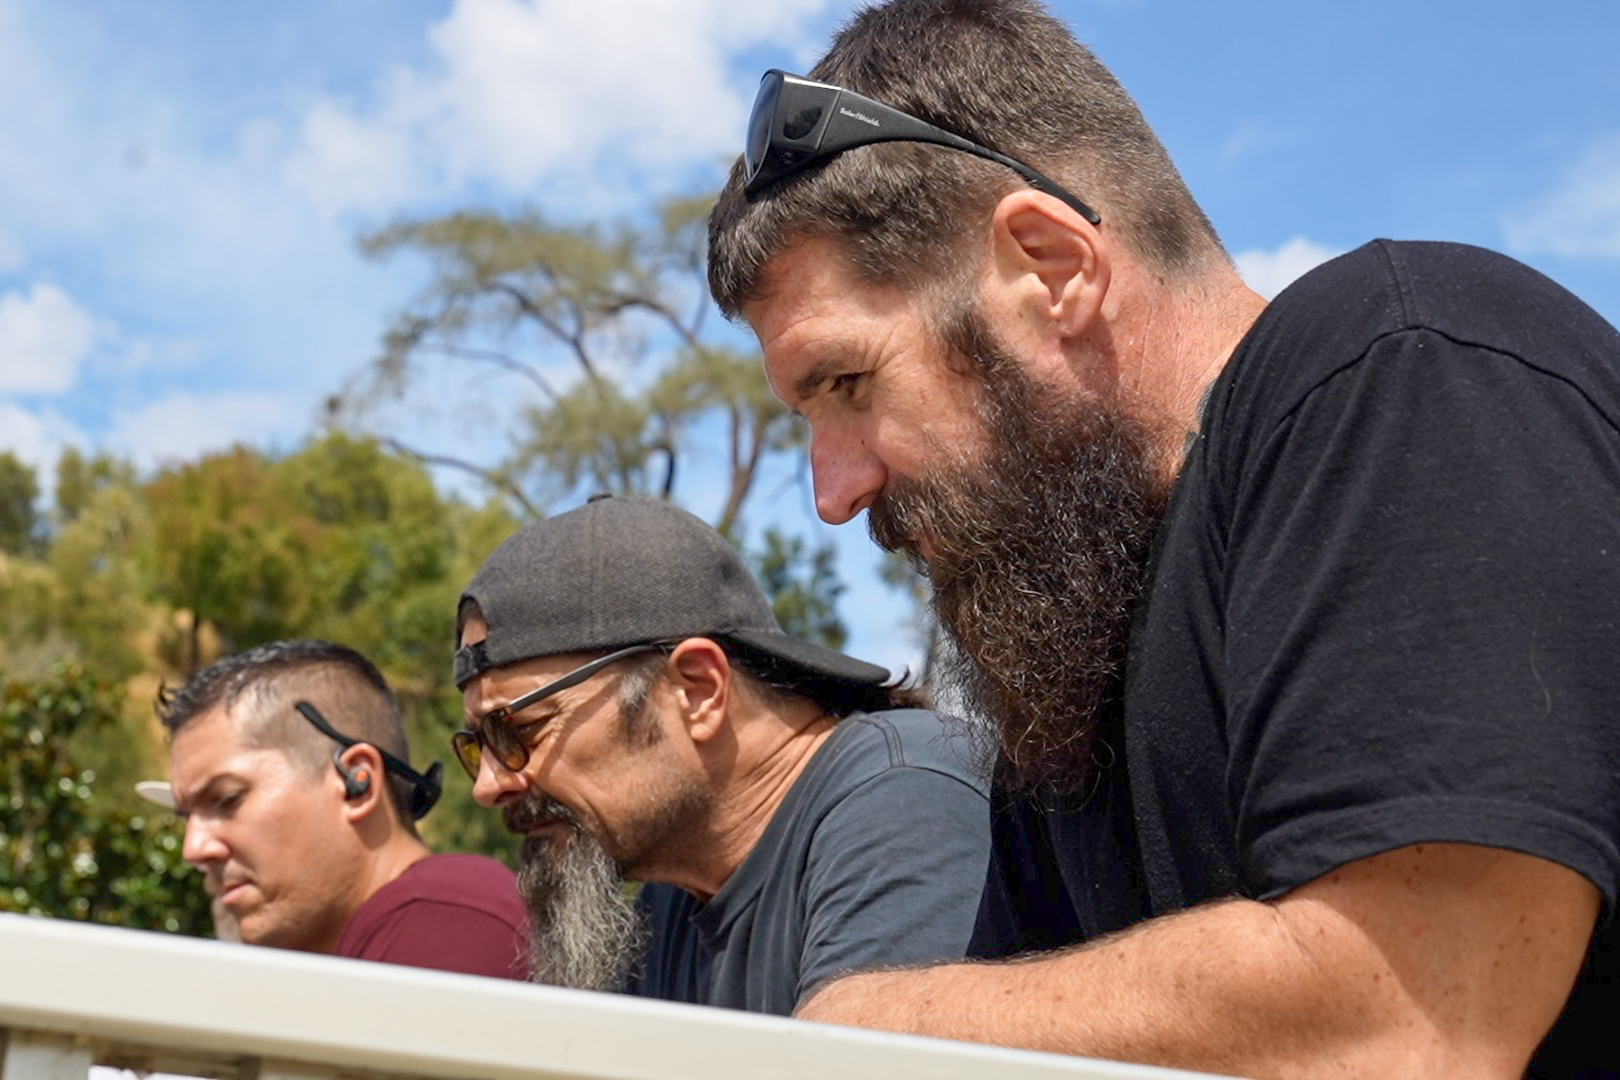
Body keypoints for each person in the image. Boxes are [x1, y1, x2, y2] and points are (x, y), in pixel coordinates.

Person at [705, 0, 1620, 1075]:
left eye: (849, 382)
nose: (834, 492)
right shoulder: (1076, 634)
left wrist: (866, 1026)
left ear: (1049, 266)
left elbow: (1412, 1018)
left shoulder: (1401, 365)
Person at [452, 494, 990, 1014]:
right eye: (479, 746)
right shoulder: (671, 901)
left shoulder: (902, 802)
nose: (488, 786)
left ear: (698, 690)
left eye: (520, 730)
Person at [157, 639, 528, 979]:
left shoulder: (446, 925)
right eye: (187, 817)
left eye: (227, 799)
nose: (194, 849)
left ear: (356, 784)